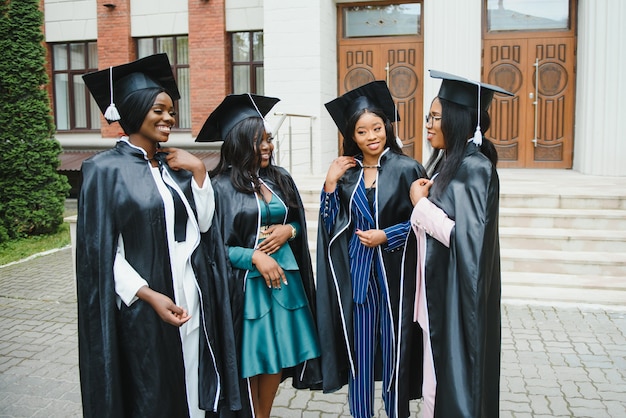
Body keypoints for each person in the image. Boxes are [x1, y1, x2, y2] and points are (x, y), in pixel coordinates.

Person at [77, 53, 238, 417]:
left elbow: (206, 224)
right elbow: (99, 252)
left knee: (191, 378)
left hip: (190, 294)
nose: (168, 118)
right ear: (133, 112)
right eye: (158, 111)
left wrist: (198, 171)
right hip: (144, 302)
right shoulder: (104, 171)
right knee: (151, 386)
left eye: (170, 111)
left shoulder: (174, 164)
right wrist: (149, 296)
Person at [195, 93, 322, 418]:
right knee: (252, 360)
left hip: (284, 285)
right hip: (247, 289)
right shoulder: (221, 187)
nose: (266, 147)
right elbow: (212, 248)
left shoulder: (278, 178)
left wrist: (288, 231)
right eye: (257, 141)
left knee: (276, 360)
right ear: (238, 143)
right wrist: (253, 257)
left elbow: (293, 221)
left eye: (268, 139)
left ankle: (262, 414)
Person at [316, 81, 427, 418]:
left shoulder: (407, 169)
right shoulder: (347, 175)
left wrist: (388, 235)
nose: (371, 136)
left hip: (395, 276)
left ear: (386, 127)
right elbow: (329, 226)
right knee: (359, 354)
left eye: (376, 128)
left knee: (395, 351)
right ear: (353, 136)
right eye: (362, 132)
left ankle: (396, 413)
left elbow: (424, 222)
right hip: (358, 277)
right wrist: (330, 184)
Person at [407, 70, 514, 417]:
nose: (428, 124)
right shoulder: (448, 164)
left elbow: (469, 240)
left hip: (453, 298)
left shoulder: (475, 167)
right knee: (434, 388)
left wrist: (420, 205)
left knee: (445, 389)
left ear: (457, 119)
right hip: (435, 294)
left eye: (436, 117)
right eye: (429, 116)